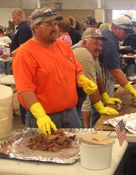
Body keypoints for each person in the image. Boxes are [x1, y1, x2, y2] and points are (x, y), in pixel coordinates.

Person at [12, 7, 118, 135]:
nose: (54, 28)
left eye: (55, 24)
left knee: (77, 149)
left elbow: (77, 70)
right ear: (36, 27)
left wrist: (82, 79)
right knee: (48, 152)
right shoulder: (25, 53)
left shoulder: (63, 47)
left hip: (71, 114)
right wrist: (40, 116)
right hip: (46, 118)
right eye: (49, 24)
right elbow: (25, 90)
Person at [72, 28, 121, 127]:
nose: (99, 48)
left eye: (101, 44)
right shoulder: (83, 53)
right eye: (95, 43)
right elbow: (90, 89)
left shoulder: (91, 52)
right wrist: (100, 108)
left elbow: (99, 77)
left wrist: (105, 97)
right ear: (85, 43)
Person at [99, 16, 136, 99]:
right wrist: (131, 90)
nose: (127, 35)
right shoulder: (110, 41)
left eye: (129, 32)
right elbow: (115, 71)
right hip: (100, 75)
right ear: (115, 28)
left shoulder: (106, 32)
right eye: (125, 32)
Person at [10, 8, 33, 124]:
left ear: (20, 16)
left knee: (23, 89)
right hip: (20, 61)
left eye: (14, 18)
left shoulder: (24, 28)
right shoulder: (22, 28)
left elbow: (23, 47)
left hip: (22, 63)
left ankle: (25, 118)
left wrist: (10, 53)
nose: (13, 20)